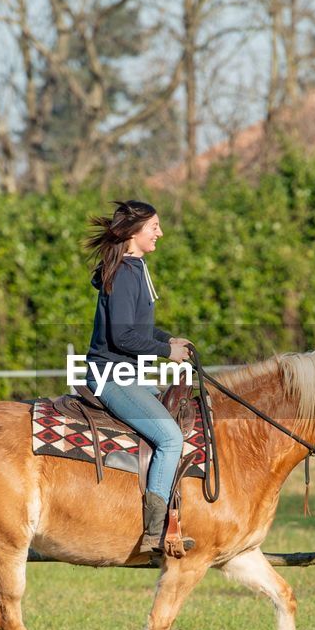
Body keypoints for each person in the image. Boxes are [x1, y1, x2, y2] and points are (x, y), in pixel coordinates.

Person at [84, 200, 194, 555]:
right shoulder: (126, 273)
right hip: (112, 378)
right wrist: (167, 353)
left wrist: (168, 339)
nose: (160, 233)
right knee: (170, 438)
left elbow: (138, 328)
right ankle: (154, 531)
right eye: (154, 227)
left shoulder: (134, 268)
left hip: (127, 374)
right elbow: (122, 337)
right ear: (134, 233)